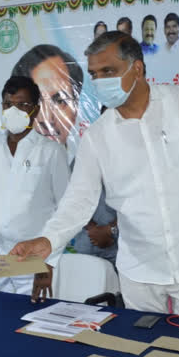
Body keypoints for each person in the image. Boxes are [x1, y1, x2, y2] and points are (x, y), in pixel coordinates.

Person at [11, 32, 179, 311]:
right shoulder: (97, 137)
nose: (100, 81)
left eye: (109, 71)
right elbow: (79, 201)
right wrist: (49, 239)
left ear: (138, 68)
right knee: (140, 349)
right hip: (138, 270)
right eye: (95, 74)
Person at [0, 76, 69, 295]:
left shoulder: (51, 152)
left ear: (36, 109)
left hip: (35, 260)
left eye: (23, 105)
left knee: (32, 321)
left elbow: (66, 212)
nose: (14, 111)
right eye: (8, 104)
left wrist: (48, 262)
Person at [12, 44, 84, 151]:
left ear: (76, 108)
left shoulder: (87, 163)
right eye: (36, 101)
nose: (47, 119)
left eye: (60, 101)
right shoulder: (0, 159)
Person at [71, 108, 118, 268]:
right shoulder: (83, 154)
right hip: (88, 241)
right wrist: (93, 230)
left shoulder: (140, 157)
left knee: (123, 292)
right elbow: (70, 200)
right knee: (84, 291)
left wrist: (111, 229)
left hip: (127, 247)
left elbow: (143, 202)